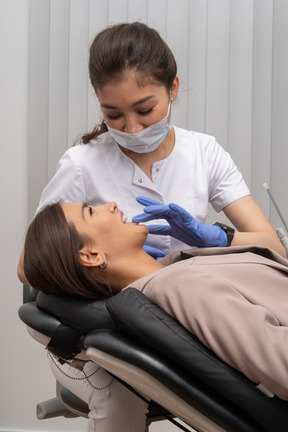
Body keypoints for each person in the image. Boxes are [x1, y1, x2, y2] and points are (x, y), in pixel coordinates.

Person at [18, 21, 285, 432]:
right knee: (119, 387)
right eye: (113, 115)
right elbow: (32, 264)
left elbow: (271, 245)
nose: (132, 128)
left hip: (189, 300)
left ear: (173, 88)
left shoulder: (204, 153)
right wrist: (120, 295)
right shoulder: (82, 163)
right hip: (126, 322)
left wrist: (216, 238)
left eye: (145, 110)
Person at [23, 199, 288, 403]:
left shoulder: (172, 269)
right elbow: (280, 365)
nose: (111, 204)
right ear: (91, 255)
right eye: (91, 212)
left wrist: (225, 239)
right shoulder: (181, 287)